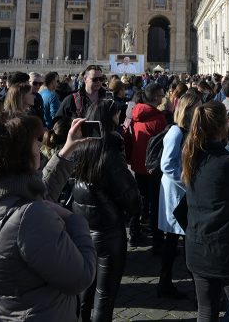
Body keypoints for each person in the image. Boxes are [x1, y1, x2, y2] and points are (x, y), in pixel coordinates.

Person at [0, 113, 97, 320]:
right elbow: (80, 277)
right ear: (20, 155)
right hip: (40, 313)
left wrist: (67, 150)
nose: (39, 147)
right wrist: (75, 220)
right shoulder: (29, 216)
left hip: (2, 310)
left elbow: (39, 191)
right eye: (34, 143)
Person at [182, 102, 229, 322]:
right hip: (225, 250)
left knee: (206, 312)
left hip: (196, 244)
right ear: (221, 126)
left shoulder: (191, 156)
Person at [73, 100, 142, 322]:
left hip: (82, 226)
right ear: (109, 119)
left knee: (84, 289)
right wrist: (134, 209)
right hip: (108, 230)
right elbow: (129, 195)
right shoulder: (110, 151)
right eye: (116, 115)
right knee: (104, 295)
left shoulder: (80, 146)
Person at [157, 89, 199, 298]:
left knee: (173, 240)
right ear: (188, 109)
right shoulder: (176, 132)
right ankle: (185, 287)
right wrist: (187, 181)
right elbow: (167, 165)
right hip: (176, 191)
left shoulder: (186, 130)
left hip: (179, 190)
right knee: (179, 239)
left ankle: (165, 283)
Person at [126, 85, 168, 248]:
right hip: (153, 167)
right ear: (156, 97)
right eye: (162, 95)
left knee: (141, 199)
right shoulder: (158, 119)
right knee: (155, 203)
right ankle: (157, 240)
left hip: (138, 164)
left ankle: (136, 232)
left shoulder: (135, 113)